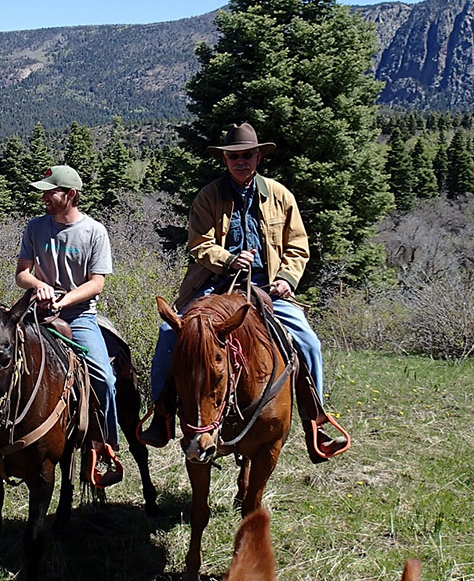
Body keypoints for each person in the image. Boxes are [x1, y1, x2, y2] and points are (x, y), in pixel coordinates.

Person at [139, 123, 348, 462]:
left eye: (247, 155)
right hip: (216, 284)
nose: (240, 161)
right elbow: (199, 244)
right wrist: (229, 259)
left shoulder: (280, 196)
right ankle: (162, 413)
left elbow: (297, 246)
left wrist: (287, 280)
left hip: (269, 288)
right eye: (234, 156)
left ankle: (316, 422)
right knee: (168, 333)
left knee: (309, 342)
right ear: (225, 159)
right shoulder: (209, 196)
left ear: (258, 156)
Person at [16, 164, 123, 486]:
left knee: (104, 376)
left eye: (51, 192)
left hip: (79, 316)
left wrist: (63, 301)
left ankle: (106, 446)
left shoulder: (94, 232)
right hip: (36, 311)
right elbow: (22, 273)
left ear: (70, 195)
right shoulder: (35, 227)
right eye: (44, 192)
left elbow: (97, 283)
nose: (45, 198)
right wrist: (37, 285)